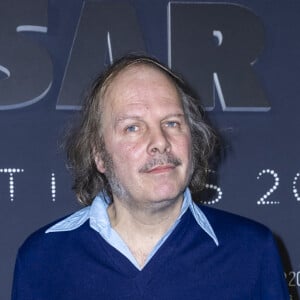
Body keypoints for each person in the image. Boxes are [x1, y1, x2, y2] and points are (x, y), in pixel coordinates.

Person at [12, 54, 289, 299]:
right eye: (133, 127)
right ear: (98, 154)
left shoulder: (252, 251)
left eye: (172, 123)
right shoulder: (43, 258)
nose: (160, 141)